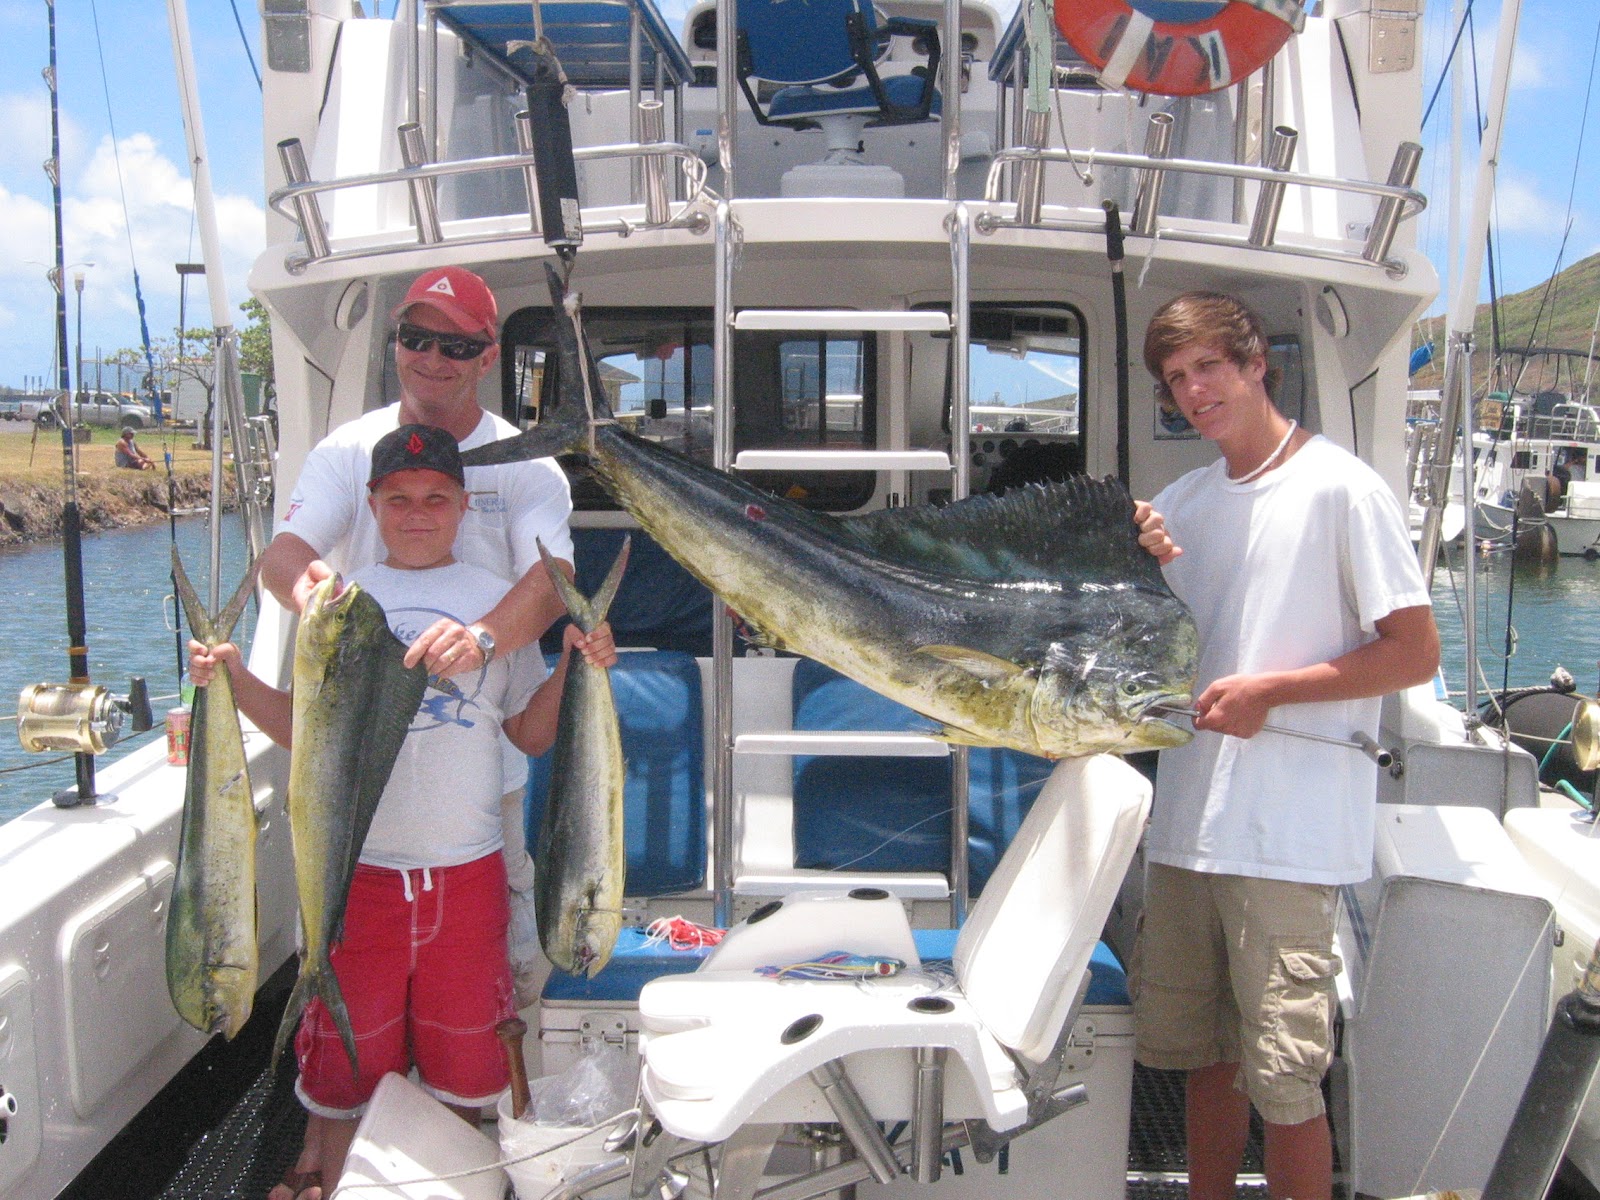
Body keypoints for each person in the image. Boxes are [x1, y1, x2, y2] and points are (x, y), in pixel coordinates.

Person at [191, 425, 617, 1200]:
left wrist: (576, 666)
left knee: (465, 1075)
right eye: (398, 500)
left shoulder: (499, 606)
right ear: (372, 505)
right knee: (345, 1078)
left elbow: (530, 732)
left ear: (463, 506)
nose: (417, 514)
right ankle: (339, 1179)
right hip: (358, 883)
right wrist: (227, 678)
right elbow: (300, 729)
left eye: (435, 499)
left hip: (469, 879)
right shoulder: (339, 606)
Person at [255, 268, 574, 1200]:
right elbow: (286, 556)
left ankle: (452, 1151)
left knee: (478, 981)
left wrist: (484, 639)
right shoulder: (348, 450)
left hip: (481, 783)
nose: (433, 357)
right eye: (416, 336)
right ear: (395, 341)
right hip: (357, 789)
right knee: (351, 974)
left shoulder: (527, 464)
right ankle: (332, 1148)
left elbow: (553, 579)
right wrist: (334, 612)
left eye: (458, 342)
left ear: (488, 354)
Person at [1129, 292, 1439, 1200]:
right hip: (1186, 830)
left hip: (1286, 843)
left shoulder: (1343, 489)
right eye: (1176, 378)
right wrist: (1130, 553)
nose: (1194, 391)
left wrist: (1273, 693)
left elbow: (1415, 654)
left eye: (1208, 367)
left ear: (1256, 364)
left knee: (1288, 1084)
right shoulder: (1180, 504)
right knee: (1202, 1062)